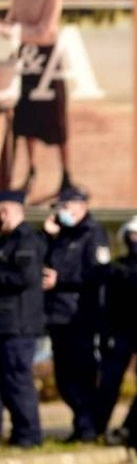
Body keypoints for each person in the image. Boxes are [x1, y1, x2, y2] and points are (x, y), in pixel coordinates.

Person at [41, 185, 108, 442]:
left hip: (80, 316)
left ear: (82, 207)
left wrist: (62, 280)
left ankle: (87, 428)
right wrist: (50, 237)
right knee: (63, 378)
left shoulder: (93, 234)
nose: (61, 212)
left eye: (66, 207)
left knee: (82, 375)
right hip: (57, 316)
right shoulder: (62, 236)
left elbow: (98, 273)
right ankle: (82, 424)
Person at [94, 214, 137, 440]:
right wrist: (106, 331)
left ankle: (136, 429)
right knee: (109, 382)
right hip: (120, 331)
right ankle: (96, 428)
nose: (136, 240)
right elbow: (106, 302)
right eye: (133, 235)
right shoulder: (116, 268)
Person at [3, 0, 69, 198]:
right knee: (26, 118)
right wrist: (12, 30)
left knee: (57, 121)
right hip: (23, 59)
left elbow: (46, 32)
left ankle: (66, 176)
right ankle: (31, 170)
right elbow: (10, 20)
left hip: (47, 62)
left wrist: (13, 30)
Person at [0, 188, 42, 446]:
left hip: (18, 325)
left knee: (18, 381)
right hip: (4, 325)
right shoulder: (5, 240)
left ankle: (28, 435)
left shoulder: (27, 240)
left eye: (2, 211)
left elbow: (23, 278)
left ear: (13, 211)